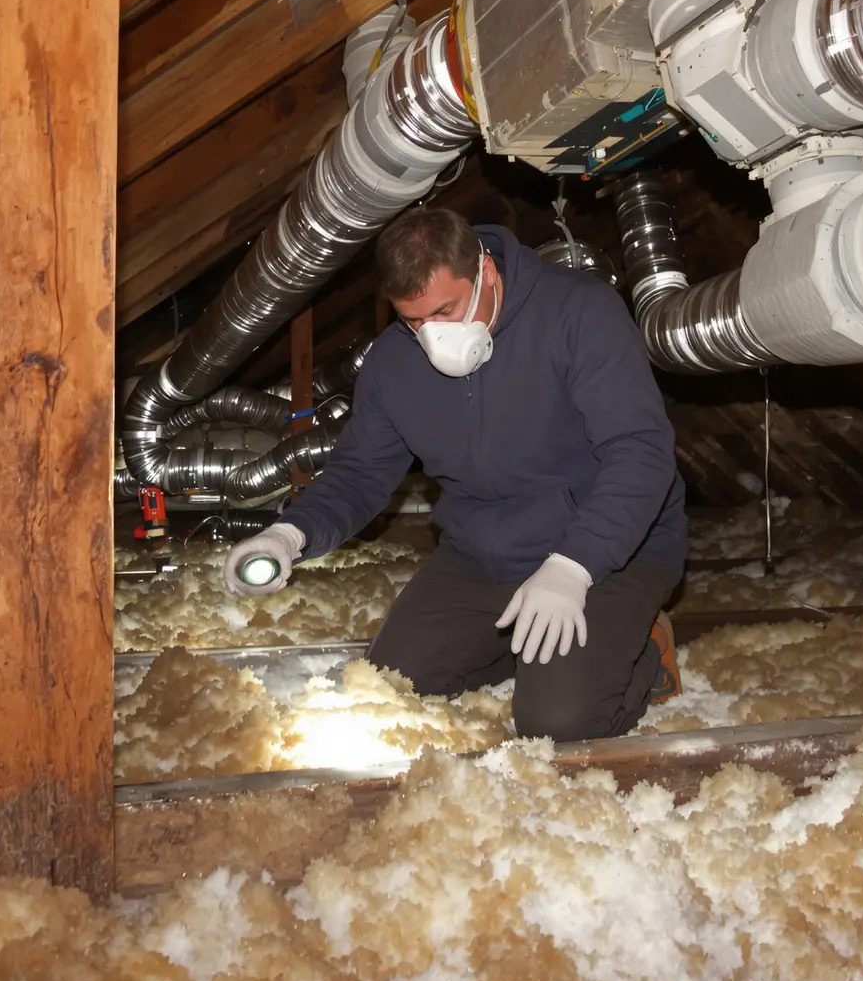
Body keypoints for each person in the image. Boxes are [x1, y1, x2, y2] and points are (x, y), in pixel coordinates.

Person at [225, 207, 687, 741]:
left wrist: (573, 567)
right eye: (413, 321)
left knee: (558, 723)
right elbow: (359, 473)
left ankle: (645, 648)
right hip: (483, 553)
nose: (432, 336)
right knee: (391, 688)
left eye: (445, 310)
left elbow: (641, 451)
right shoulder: (393, 364)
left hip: (609, 550)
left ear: (486, 273)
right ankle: (535, 655)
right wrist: (289, 535)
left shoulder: (579, 313)